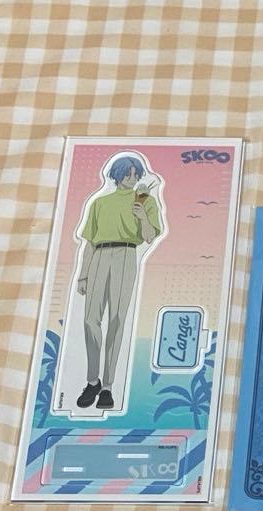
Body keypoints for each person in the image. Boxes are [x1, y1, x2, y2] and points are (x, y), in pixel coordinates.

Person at [74, 154, 163, 410]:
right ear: (116, 174)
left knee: (116, 320)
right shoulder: (100, 203)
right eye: (127, 173)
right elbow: (89, 242)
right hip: (99, 255)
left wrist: (142, 217)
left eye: (136, 174)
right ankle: (93, 381)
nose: (132, 178)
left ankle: (107, 387)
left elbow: (149, 237)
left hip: (126, 255)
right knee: (90, 319)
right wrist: (83, 274)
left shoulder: (146, 201)